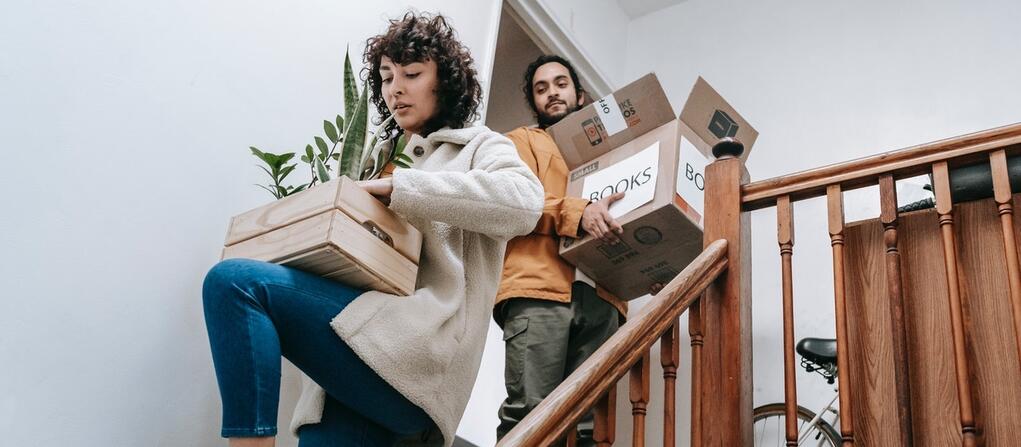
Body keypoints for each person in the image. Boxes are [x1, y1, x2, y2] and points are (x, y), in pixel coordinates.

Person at [202, 12, 544, 447]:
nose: (395, 88)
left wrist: (399, 186)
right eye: (385, 77)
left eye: (412, 73)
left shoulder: (481, 146)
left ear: (447, 80)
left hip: (411, 357)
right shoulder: (374, 154)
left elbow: (525, 203)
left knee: (235, 283)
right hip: (348, 368)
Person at [495, 55, 660, 445]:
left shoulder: (613, 151)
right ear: (534, 102)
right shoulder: (520, 141)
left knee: (587, 427)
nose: (552, 92)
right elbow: (514, 202)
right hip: (539, 292)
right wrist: (578, 213)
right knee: (528, 415)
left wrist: (651, 262)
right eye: (541, 88)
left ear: (579, 94)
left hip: (603, 298)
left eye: (560, 83)